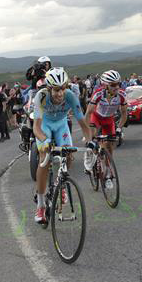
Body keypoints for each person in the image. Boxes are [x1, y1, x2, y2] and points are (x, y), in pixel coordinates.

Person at [32, 68, 94, 223]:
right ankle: (40, 206)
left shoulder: (71, 96)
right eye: (56, 90)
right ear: (49, 88)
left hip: (61, 125)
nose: (60, 94)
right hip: (44, 125)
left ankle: (61, 186)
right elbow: (36, 128)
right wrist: (44, 141)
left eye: (62, 89)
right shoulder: (41, 96)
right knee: (44, 159)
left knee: (68, 153)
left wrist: (89, 140)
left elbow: (83, 123)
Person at [83, 70, 128, 187]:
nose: (116, 87)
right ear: (105, 85)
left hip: (109, 120)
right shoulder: (98, 94)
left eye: (119, 83)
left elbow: (124, 114)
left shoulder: (122, 95)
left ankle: (107, 174)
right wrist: (87, 133)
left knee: (109, 148)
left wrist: (119, 129)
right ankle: (90, 156)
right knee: (92, 140)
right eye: (113, 85)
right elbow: (88, 113)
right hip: (96, 118)